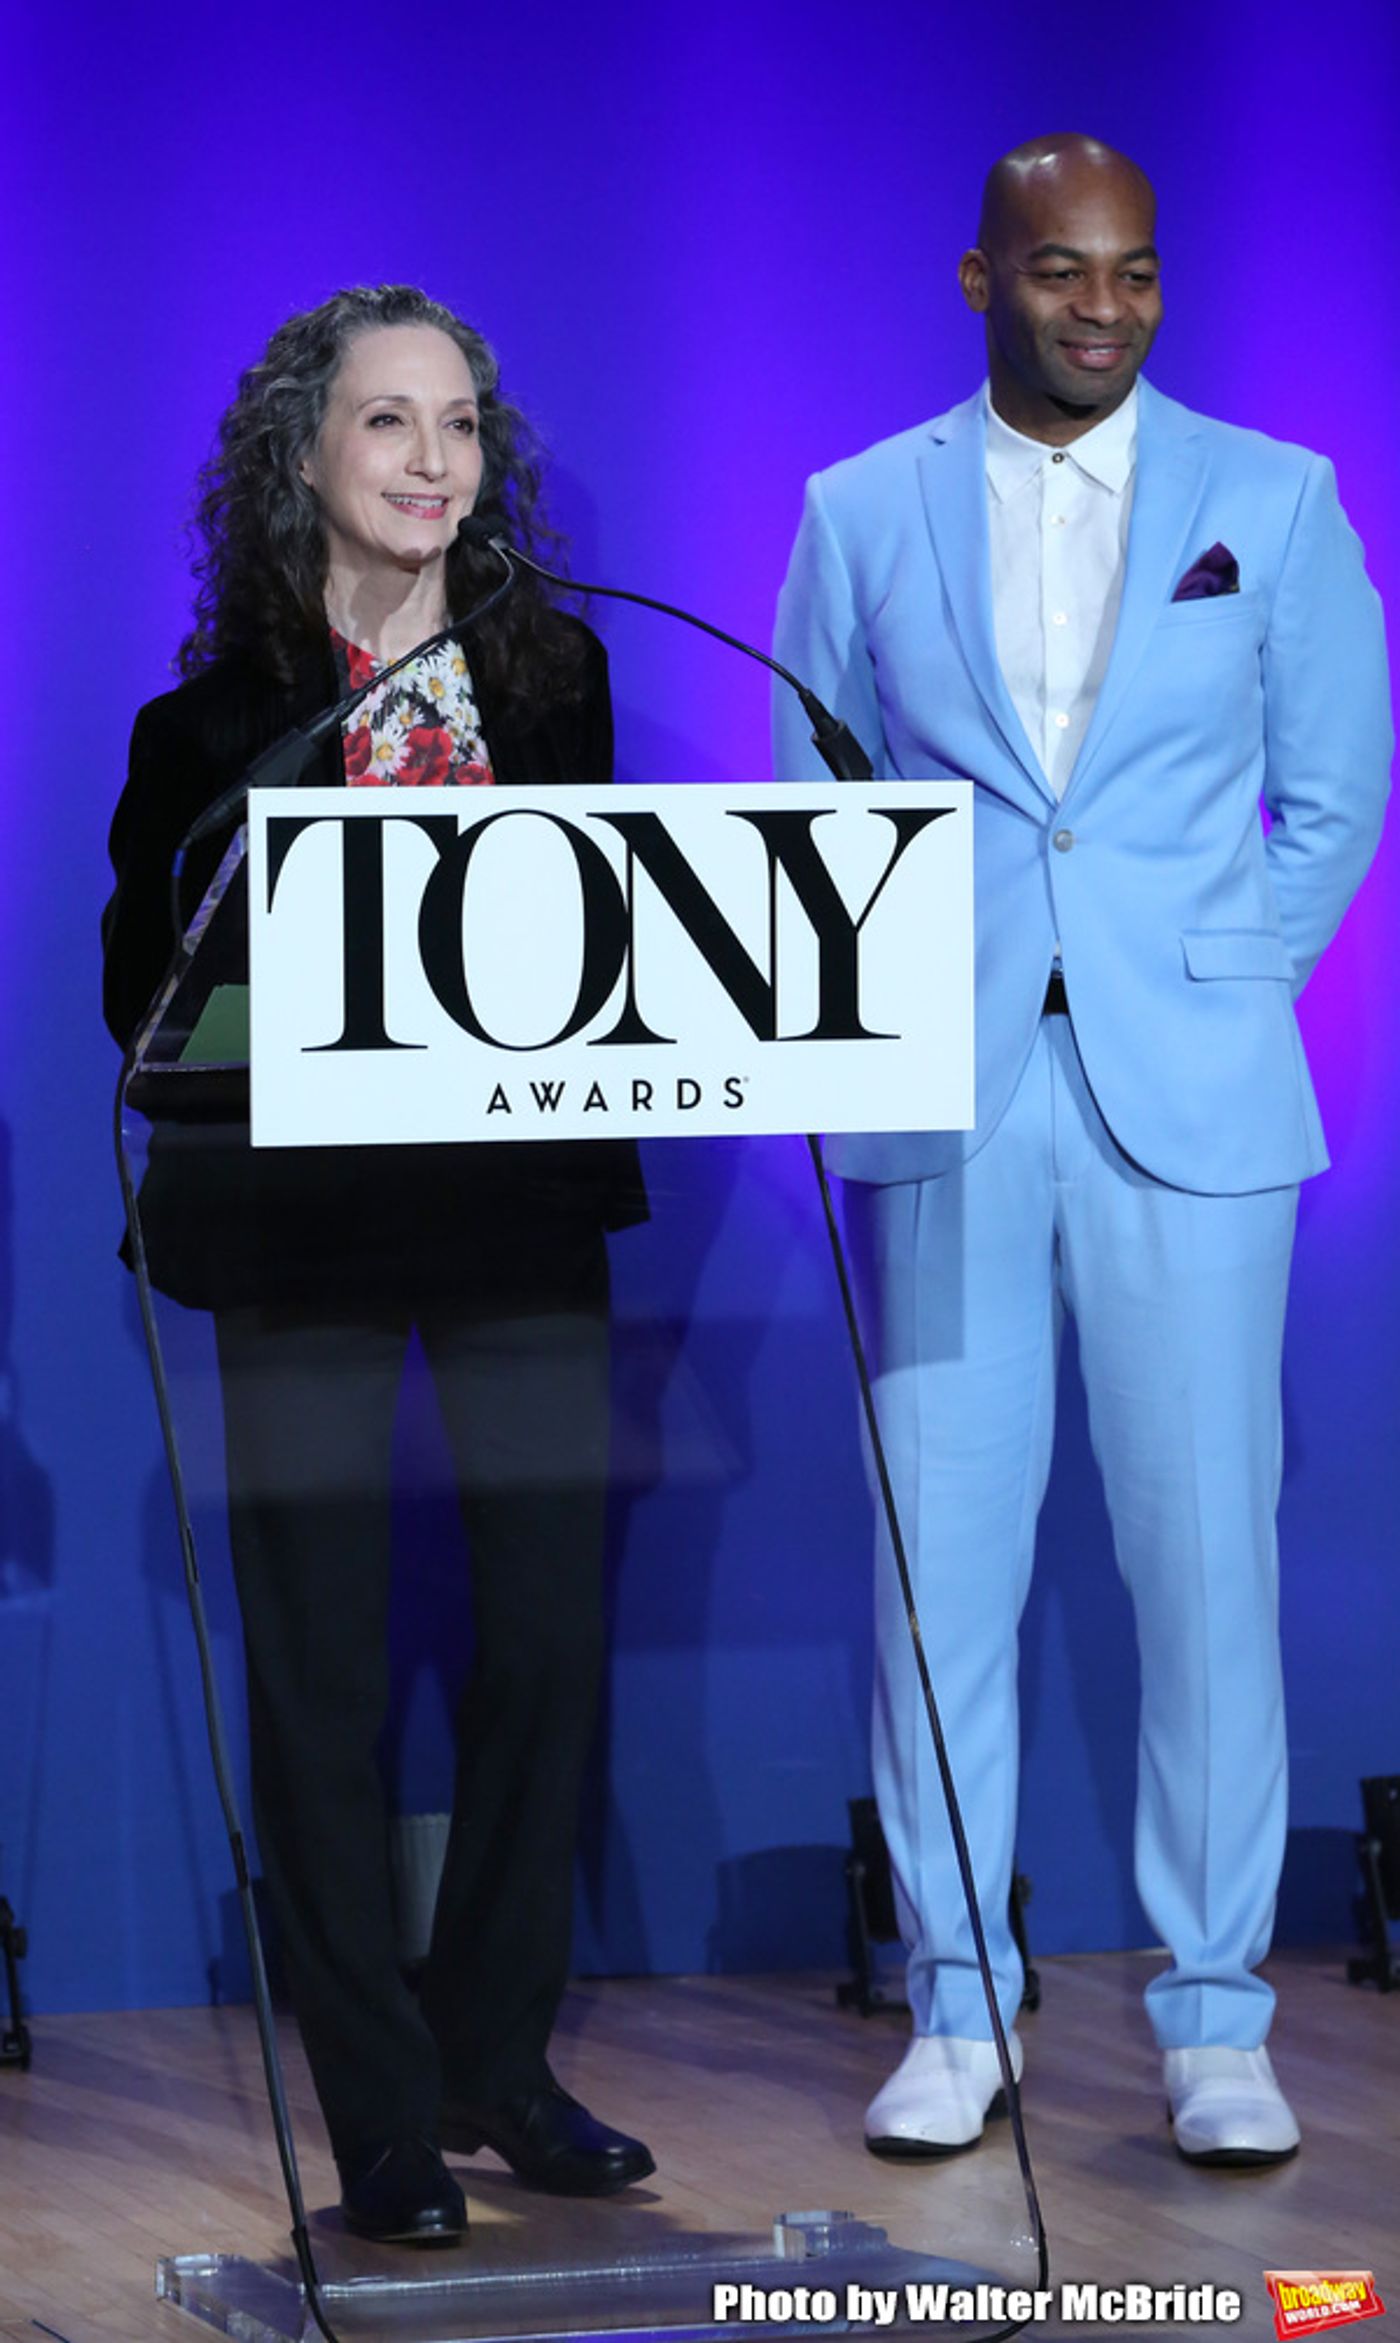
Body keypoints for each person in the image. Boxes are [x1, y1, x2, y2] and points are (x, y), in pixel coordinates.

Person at [773, 137, 1391, 2166]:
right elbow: (812, 800)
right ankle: (958, 1998)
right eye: (1060, 271)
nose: (1104, 306)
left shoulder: (1274, 499)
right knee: (933, 1571)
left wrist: (1227, 980)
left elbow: (1333, 789)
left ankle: (1216, 2012)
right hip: (942, 1093)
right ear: (979, 279)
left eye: (1134, 272)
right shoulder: (856, 510)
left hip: (1188, 1101)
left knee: (1205, 1565)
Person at [103, 285, 655, 2244]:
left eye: (459, 427)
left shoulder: (562, 678)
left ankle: (500, 2055)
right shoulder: (211, 717)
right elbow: (134, 988)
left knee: (545, 1645)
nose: (432, 462)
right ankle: (382, 2113)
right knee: (324, 1678)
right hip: (304, 1231)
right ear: (304, 458)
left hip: (513, 1217)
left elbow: (622, 953)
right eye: (387, 425)